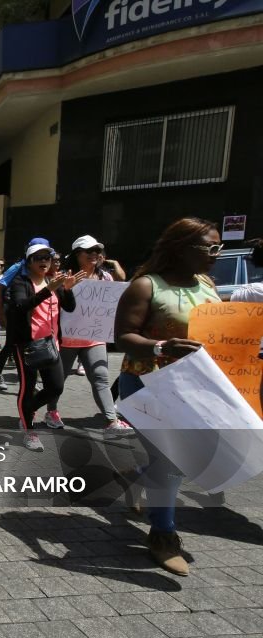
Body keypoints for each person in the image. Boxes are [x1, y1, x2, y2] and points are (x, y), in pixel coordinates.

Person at [114, 216, 222, 576]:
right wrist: (162, 346)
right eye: (211, 247)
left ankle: (137, 476)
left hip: (194, 388)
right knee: (171, 461)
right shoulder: (146, 286)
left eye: (218, 246)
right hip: (148, 384)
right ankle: (163, 535)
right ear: (181, 248)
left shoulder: (206, 283)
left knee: (186, 458)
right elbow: (123, 337)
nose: (216, 254)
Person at [46, 235, 135, 437]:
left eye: (97, 251)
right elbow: (52, 304)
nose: (95, 254)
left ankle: (111, 421)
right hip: (68, 338)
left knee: (101, 377)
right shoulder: (62, 276)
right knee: (58, 381)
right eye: (89, 251)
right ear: (78, 254)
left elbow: (119, 289)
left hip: (95, 337)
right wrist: (65, 288)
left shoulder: (105, 277)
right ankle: (51, 412)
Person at [7, 243, 85, 451]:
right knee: (28, 388)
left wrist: (66, 289)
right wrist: (47, 291)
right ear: (29, 261)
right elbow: (19, 306)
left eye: (47, 258)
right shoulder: (20, 282)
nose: (44, 262)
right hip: (28, 345)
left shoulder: (54, 281)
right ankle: (28, 430)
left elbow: (69, 307)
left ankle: (27, 411)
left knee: (55, 388)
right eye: (38, 258)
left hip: (51, 344)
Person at [0, 237, 52, 390]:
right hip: (15, 313)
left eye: (46, 256)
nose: (43, 259)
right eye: (38, 255)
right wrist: (2, 314)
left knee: (37, 344)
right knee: (10, 345)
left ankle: (35, 378)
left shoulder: (48, 270)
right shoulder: (18, 267)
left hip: (36, 316)